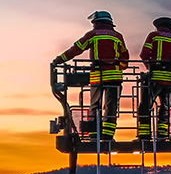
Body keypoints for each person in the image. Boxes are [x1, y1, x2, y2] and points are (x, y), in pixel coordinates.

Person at [53, 11, 129, 141]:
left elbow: (75, 49)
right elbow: (125, 57)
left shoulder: (93, 35)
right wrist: (118, 66)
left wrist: (58, 60)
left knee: (95, 105)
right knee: (111, 106)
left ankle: (94, 134)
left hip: (97, 76)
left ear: (97, 22)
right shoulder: (118, 36)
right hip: (115, 77)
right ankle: (108, 135)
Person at [137, 16, 171, 140]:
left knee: (145, 106)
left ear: (158, 26)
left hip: (154, 77)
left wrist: (149, 66)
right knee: (165, 107)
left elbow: (144, 54)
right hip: (169, 80)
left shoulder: (153, 36)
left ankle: (144, 135)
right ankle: (162, 134)